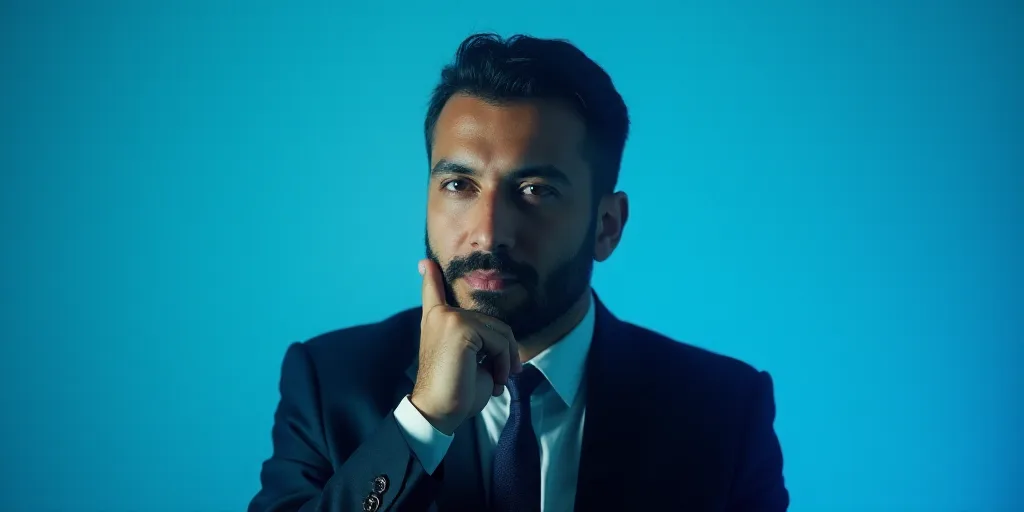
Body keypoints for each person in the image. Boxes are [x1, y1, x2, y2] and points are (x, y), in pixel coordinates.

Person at [248, 32, 789, 512]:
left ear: (606, 226)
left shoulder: (723, 413)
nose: (488, 234)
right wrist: (423, 423)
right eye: (458, 185)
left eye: (534, 191)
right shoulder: (329, 385)